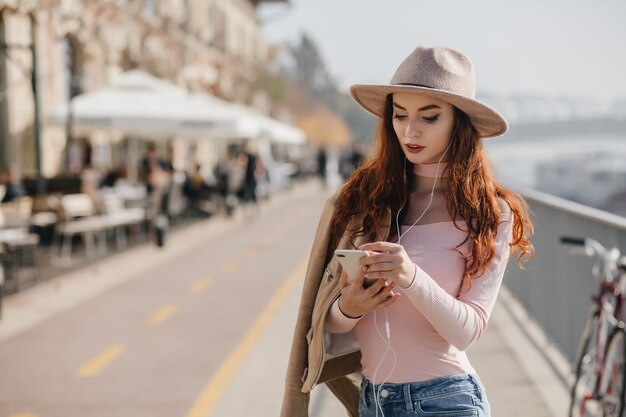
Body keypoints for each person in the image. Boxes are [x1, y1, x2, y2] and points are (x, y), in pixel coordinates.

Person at [280, 46, 534, 417]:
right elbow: (322, 322)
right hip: (372, 402)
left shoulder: (490, 211)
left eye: (429, 118)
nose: (410, 131)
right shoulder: (365, 199)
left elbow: (468, 332)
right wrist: (349, 307)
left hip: (445, 402)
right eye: (400, 116)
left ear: (459, 122)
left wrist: (411, 276)